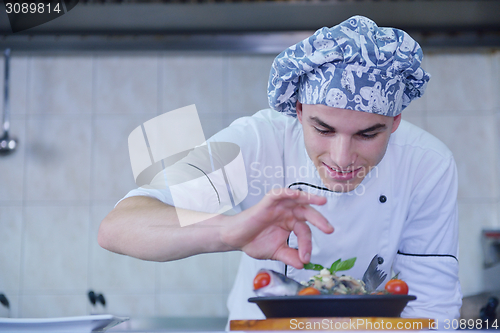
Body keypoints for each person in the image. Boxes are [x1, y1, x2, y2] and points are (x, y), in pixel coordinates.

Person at [98, 15, 462, 323]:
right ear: (299, 111)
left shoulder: (426, 165)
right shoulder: (257, 142)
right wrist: (230, 231)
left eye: (368, 134)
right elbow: (118, 227)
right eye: (323, 129)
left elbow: (432, 310)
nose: (341, 157)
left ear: (395, 121)